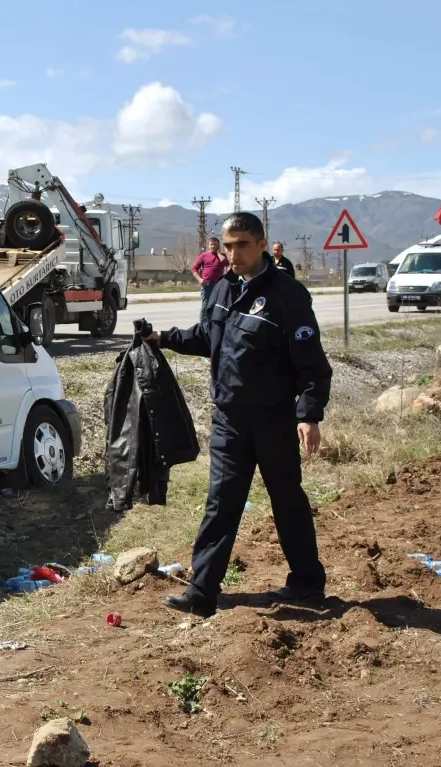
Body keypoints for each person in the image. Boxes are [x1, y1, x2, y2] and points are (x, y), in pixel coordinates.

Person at [144, 211, 333, 617]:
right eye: (227, 245)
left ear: (263, 244)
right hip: (229, 419)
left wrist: (309, 414)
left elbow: (311, 363)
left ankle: (307, 582)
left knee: (287, 501)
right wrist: (163, 339)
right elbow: (205, 337)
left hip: (274, 419)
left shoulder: (288, 295)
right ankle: (202, 592)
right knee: (222, 501)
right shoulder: (220, 290)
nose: (233, 253)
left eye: (241, 244)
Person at [191, 237, 227, 324]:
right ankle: (202, 324)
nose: (213, 246)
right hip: (207, 284)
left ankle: (213, 323)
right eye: (211, 244)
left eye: (215, 244)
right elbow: (194, 268)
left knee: (217, 305)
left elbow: (226, 263)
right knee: (205, 305)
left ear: (218, 245)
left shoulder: (221, 256)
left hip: (218, 285)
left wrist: (218, 253)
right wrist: (200, 279)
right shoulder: (204, 256)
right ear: (208, 245)